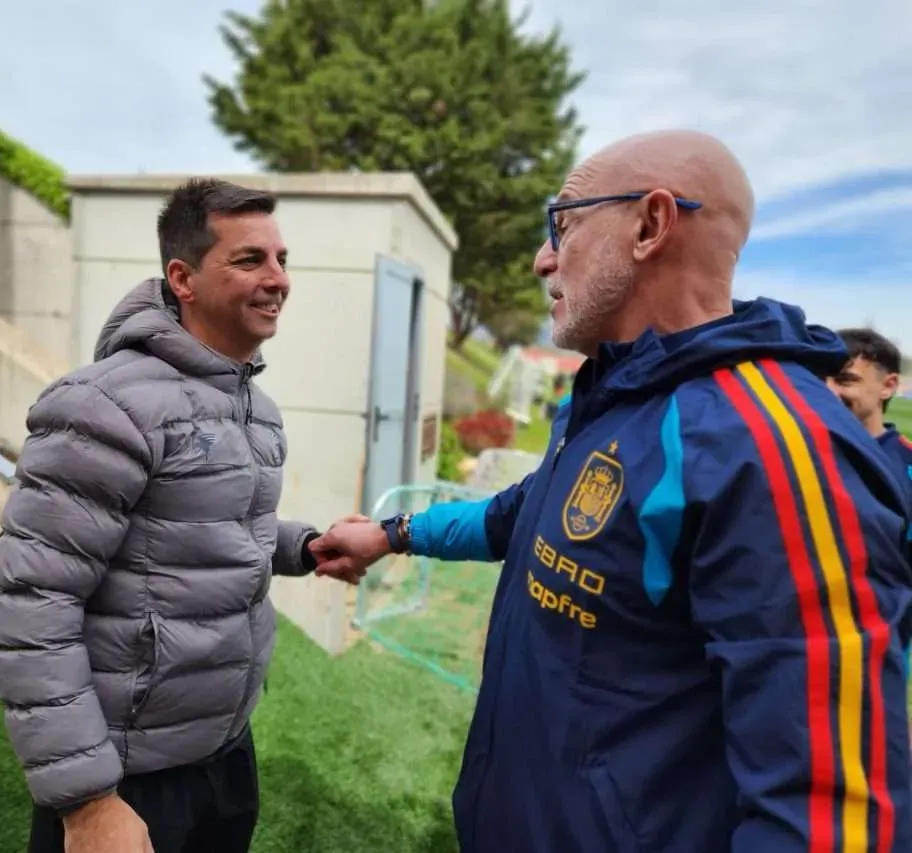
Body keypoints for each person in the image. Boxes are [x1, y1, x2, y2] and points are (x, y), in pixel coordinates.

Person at [311, 130, 912, 851]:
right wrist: (393, 534)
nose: (542, 258)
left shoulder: (772, 448)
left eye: (561, 226)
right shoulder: (615, 392)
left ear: (651, 225)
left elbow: (827, 812)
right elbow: (523, 515)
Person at [0, 178, 355, 853]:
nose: (278, 279)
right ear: (182, 277)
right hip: (129, 777)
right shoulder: (103, 406)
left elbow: (207, 526)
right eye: (249, 260)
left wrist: (305, 545)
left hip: (224, 753)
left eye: (281, 259)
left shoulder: (253, 408)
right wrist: (89, 802)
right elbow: (31, 605)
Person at [828, 327, 912, 483]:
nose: (829, 391)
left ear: (888, 386)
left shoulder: (907, 462)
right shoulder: (799, 451)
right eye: (821, 380)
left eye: (845, 380)